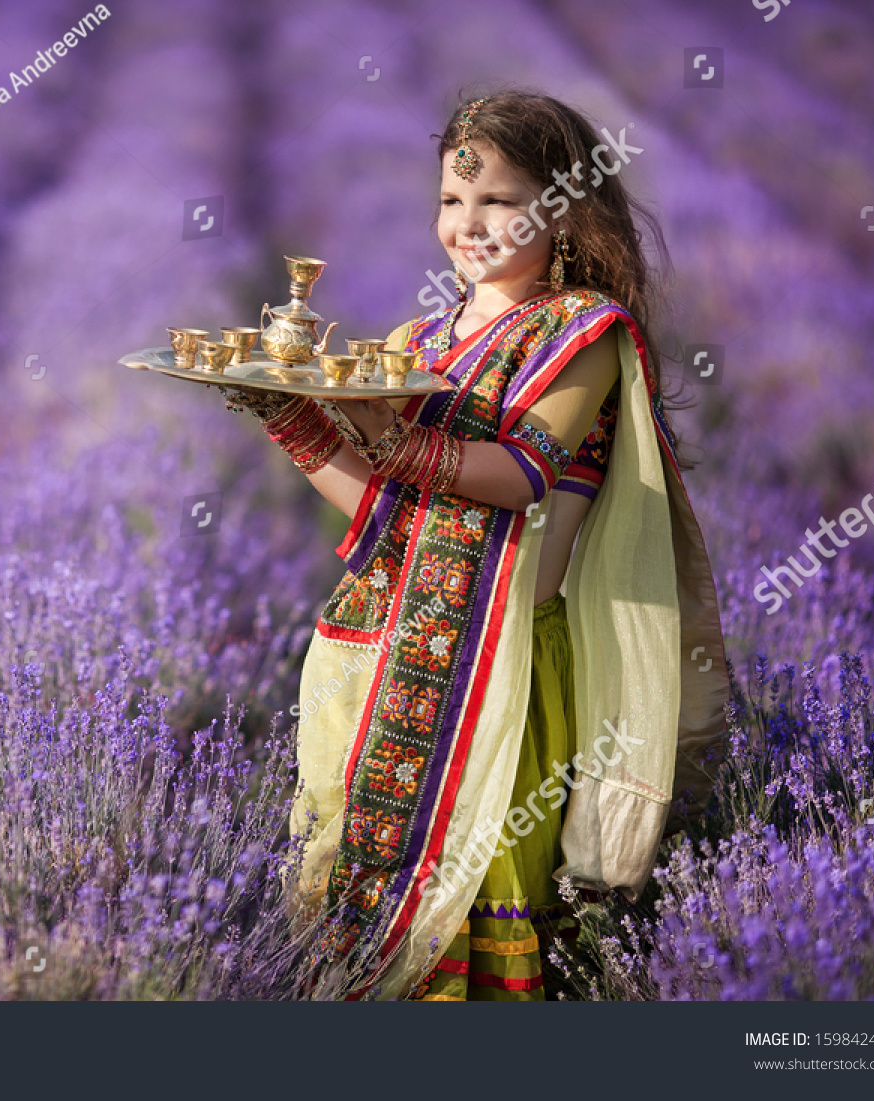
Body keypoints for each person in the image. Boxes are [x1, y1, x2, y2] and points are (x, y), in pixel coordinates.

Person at [222, 91, 729, 1000]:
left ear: (563, 209)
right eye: (453, 202)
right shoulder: (417, 340)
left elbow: (523, 469)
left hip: (497, 674)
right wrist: (294, 422)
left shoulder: (584, 334)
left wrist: (389, 431)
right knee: (356, 912)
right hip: (375, 659)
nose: (468, 223)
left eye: (497, 200)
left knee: (480, 903)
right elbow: (383, 512)